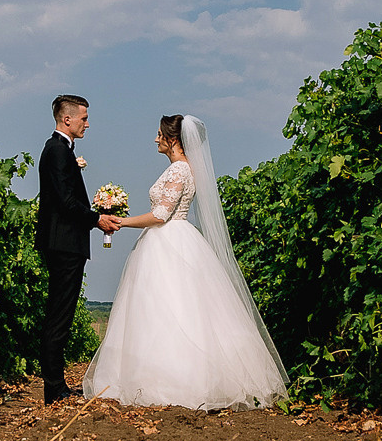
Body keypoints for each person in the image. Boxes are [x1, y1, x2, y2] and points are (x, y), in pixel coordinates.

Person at [83, 114, 287, 410]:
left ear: (173, 139)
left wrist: (122, 222)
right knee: (176, 309)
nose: (155, 139)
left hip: (167, 239)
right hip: (175, 238)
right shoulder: (185, 169)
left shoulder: (179, 170)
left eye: (159, 134)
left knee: (169, 308)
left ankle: (173, 382)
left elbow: (160, 216)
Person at [35, 94, 120, 403]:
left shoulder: (60, 150)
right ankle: (54, 388)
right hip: (63, 243)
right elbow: (65, 202)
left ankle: (56, 385)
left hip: (64, 242)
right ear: (66, 119)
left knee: (63, 312)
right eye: (84, 117)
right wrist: (97, 218)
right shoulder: (57, 151)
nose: (87, 123)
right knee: (59, 313)